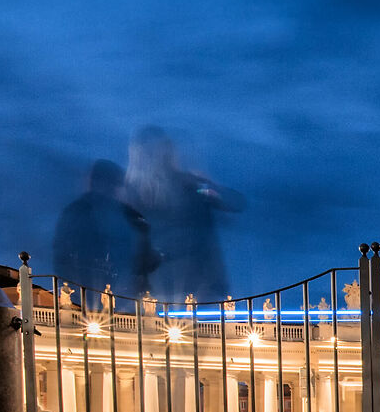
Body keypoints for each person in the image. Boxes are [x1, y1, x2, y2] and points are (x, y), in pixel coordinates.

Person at [126, 127, 243, 303]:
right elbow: (235, 202)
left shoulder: (132, 193)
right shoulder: (190, 184)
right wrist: (210, 185)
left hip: (156, 283)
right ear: (168, 151)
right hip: (199, 280)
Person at [53, 159, 157, 306]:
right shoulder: (130, 216)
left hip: (106, 294)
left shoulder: (130, 216)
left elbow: (61, 256)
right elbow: (62, 256)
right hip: (105, 294)